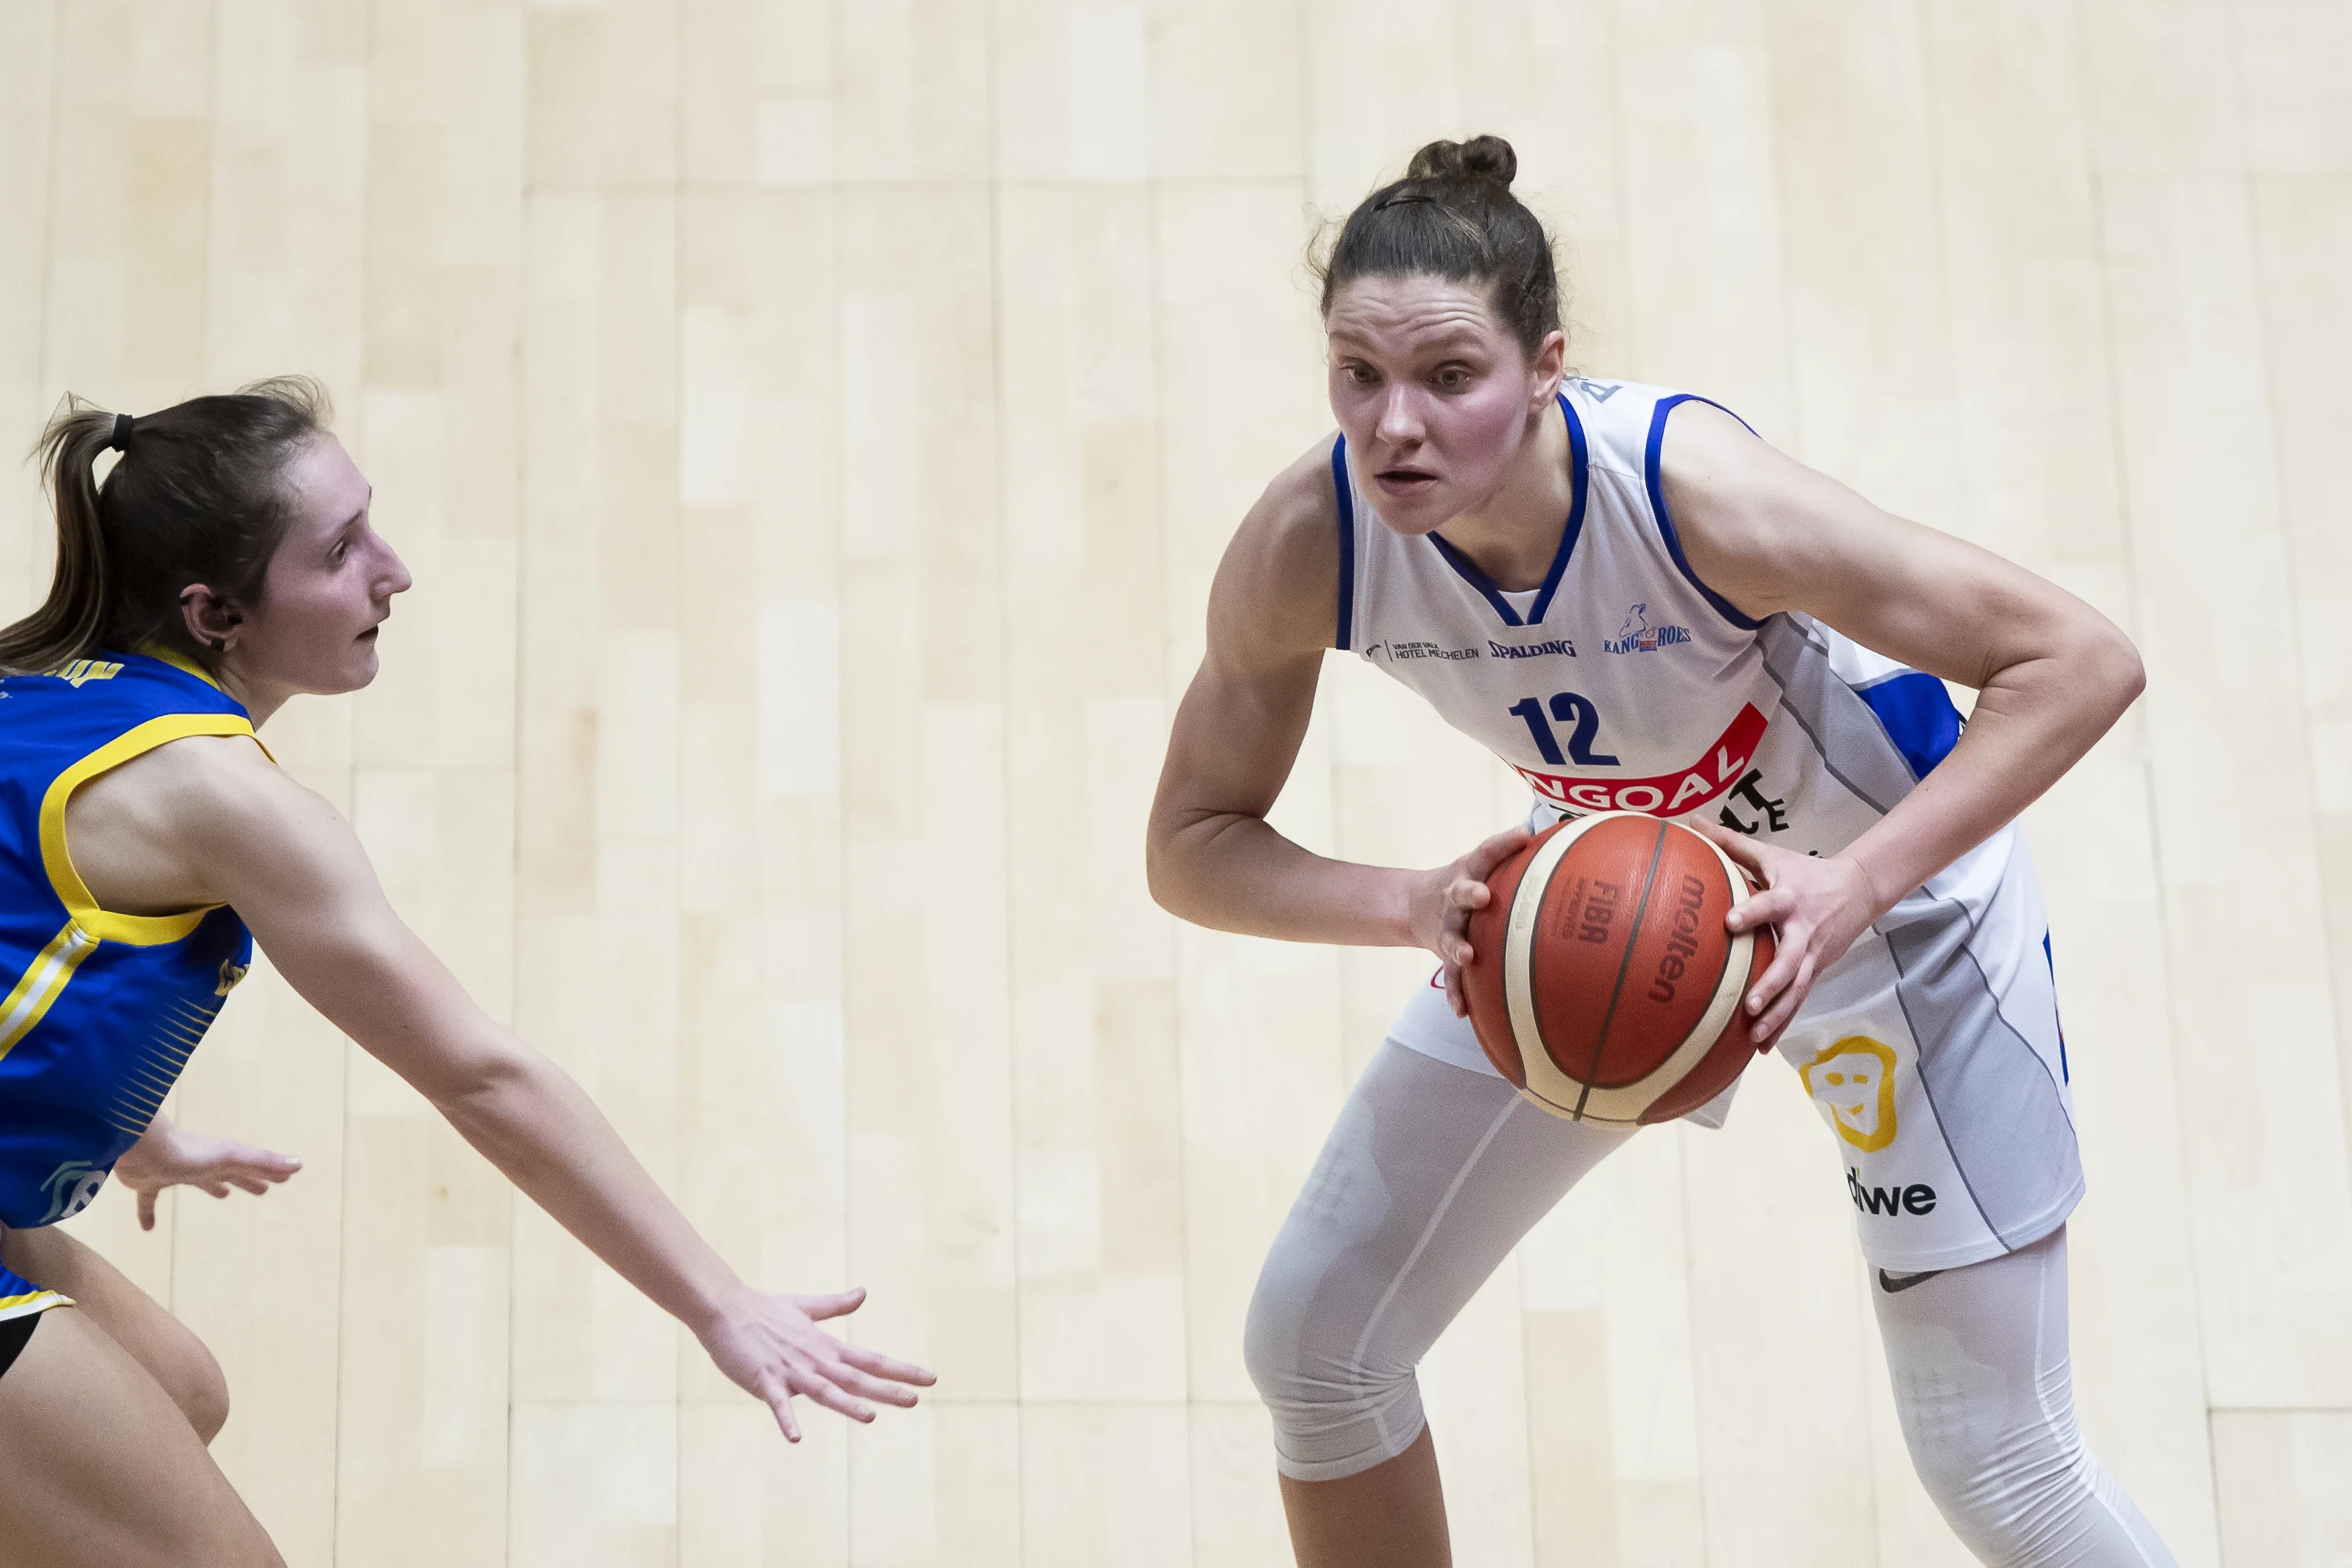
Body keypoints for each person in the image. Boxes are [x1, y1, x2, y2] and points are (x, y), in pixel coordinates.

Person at [1145, 136, 2176, 1568]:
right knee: (1319, 1340)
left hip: (1896, 920)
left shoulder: (1695, 497)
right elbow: (1191, 844)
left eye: (1451, 377)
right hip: (1621, 916)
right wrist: (1415, 904)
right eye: (1357, 375)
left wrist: (1854, 887)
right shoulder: (1310, 540)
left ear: (1546, 365)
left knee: (1998, 1464)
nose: (1396, 427)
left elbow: (2080, 659)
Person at [0, 381, 933, 1567]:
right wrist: (718, 1303)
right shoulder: (223, 799)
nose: (394, 571)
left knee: (179, 1399)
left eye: (370, 523)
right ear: (216, 611)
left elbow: (28, 933)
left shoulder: (51, 697)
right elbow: (481, 1076)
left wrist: (120, 1125)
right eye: (340, 552)